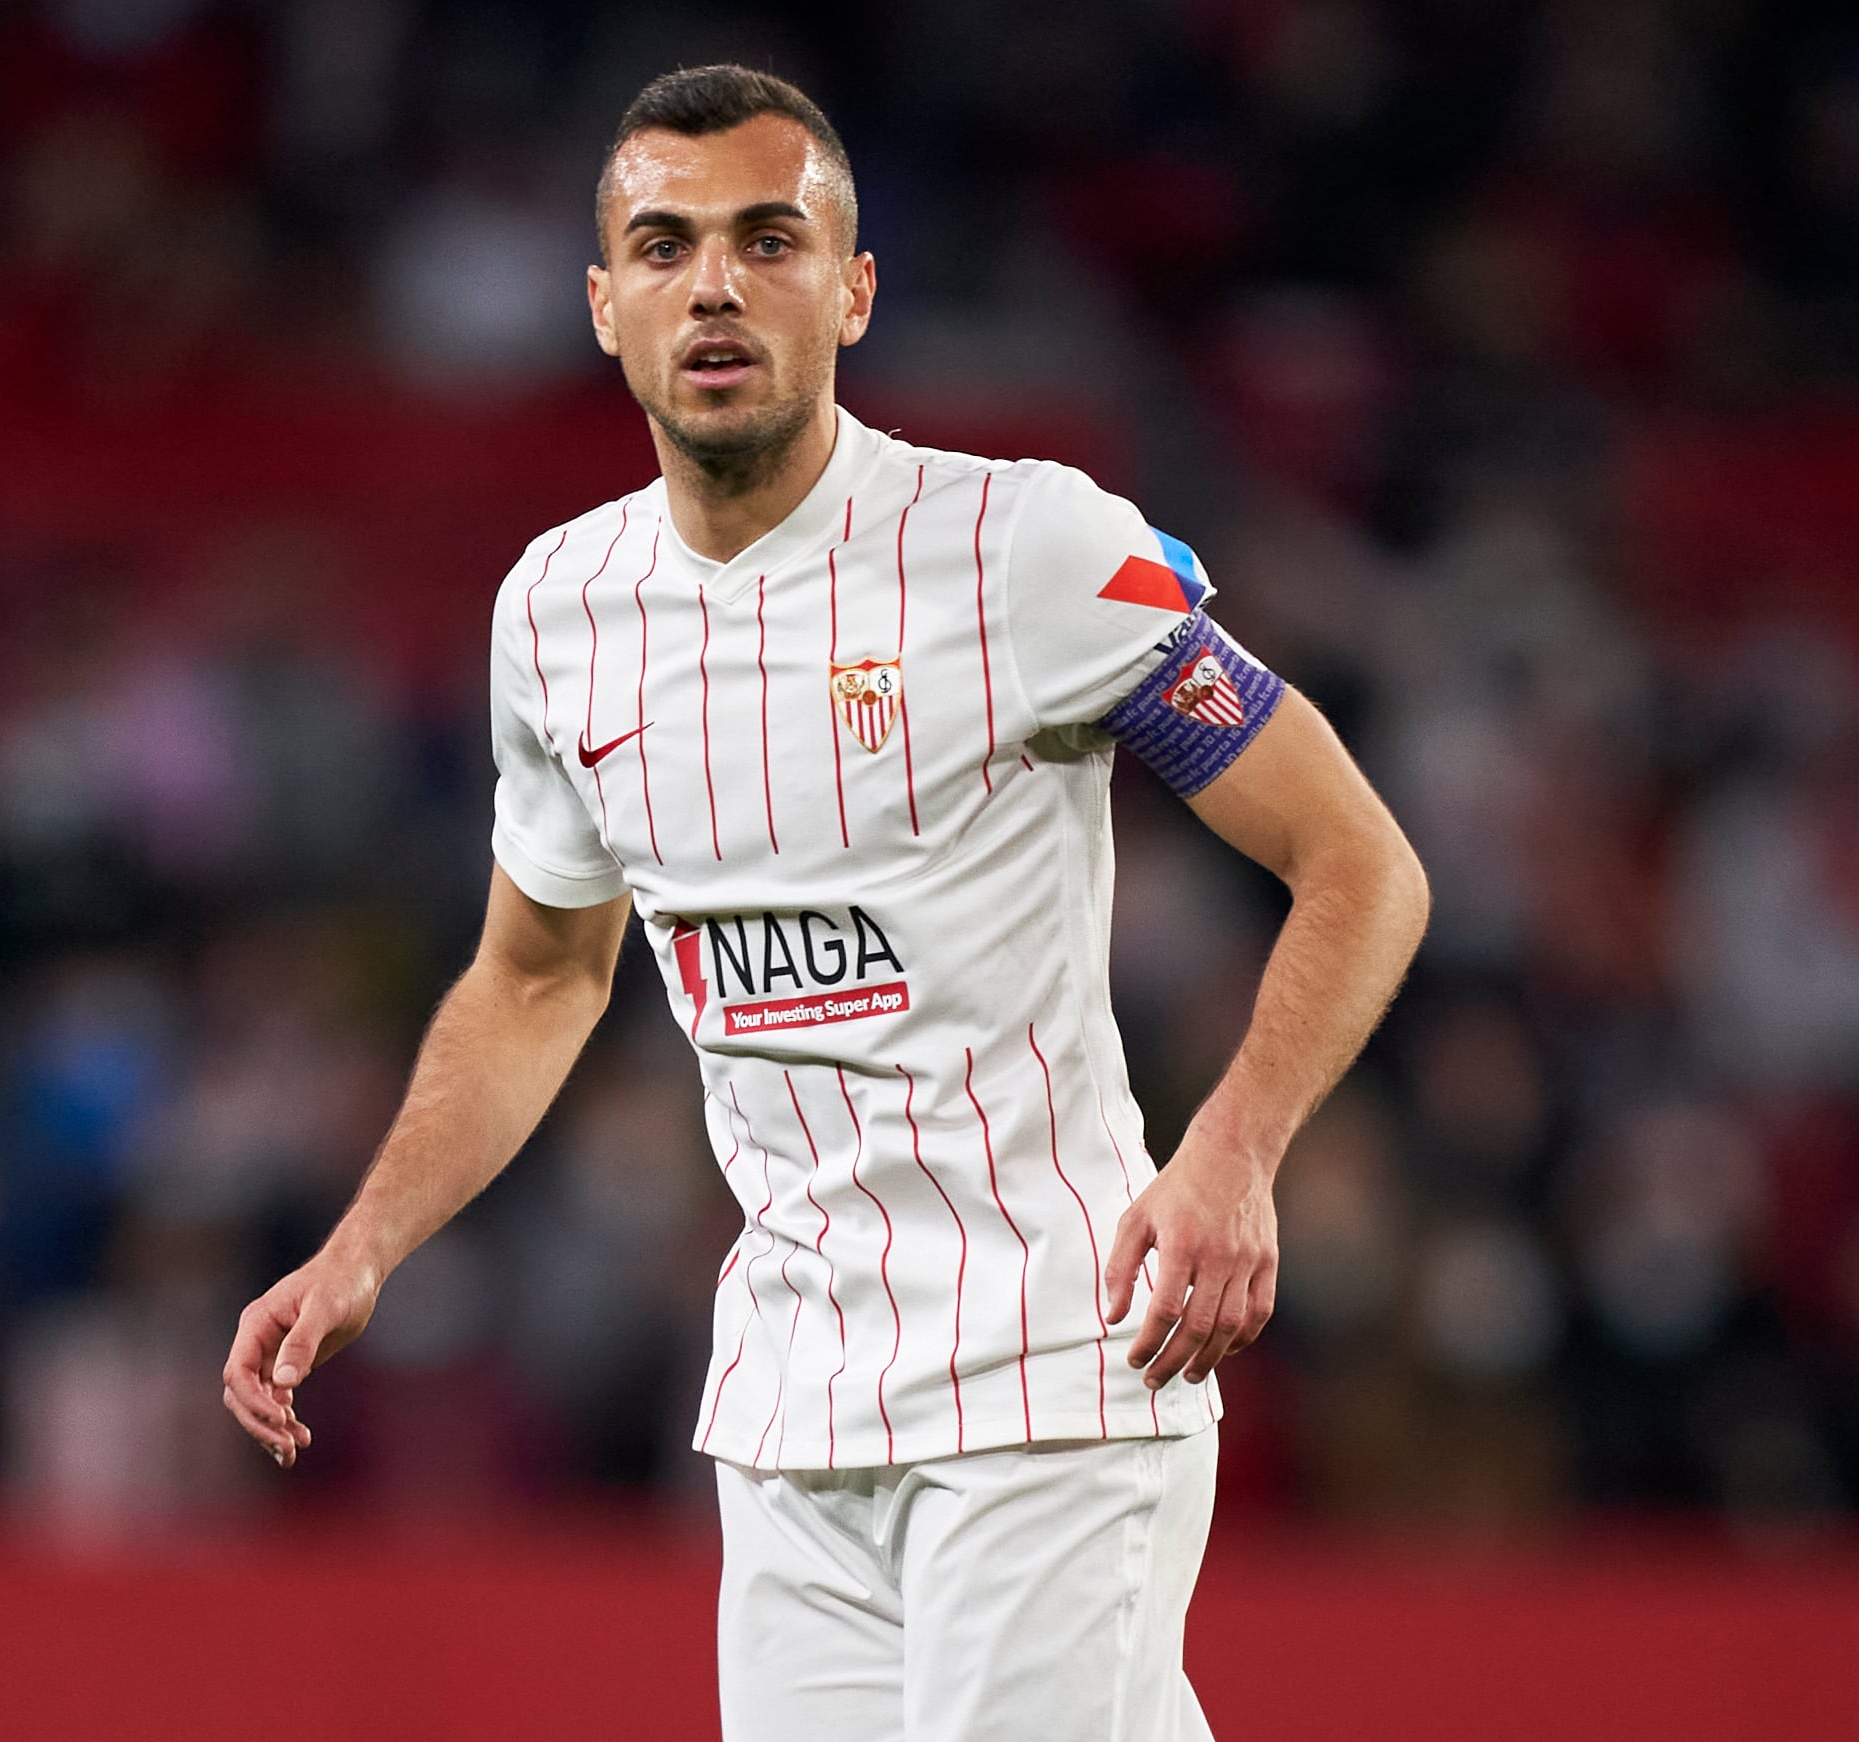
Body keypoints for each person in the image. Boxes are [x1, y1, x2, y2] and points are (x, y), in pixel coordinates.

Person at [222, 64, 1429, 1741]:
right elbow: (535, 975)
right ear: (602, 305)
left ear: (852, 289)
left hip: (1053, 1368)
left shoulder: (1029, 549)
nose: (712, 283)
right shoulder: (559, 612)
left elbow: (1362, 862)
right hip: (789, 1403)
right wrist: (367, 1242)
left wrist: (1230, 1151)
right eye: (663, 246)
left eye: (766, 238)